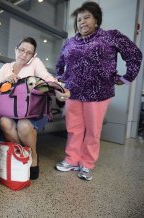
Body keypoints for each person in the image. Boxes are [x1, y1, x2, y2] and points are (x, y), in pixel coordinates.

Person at [55, 1, 142, 181]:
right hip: (73, 92)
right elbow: (60, 64)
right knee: (74, 129)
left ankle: (86, 164)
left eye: (87, 17)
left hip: (99, 93)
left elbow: (134, 54)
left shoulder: (110, 36)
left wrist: (126, 78)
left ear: (96, 20)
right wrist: (60, 81)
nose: (82, 22)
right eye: (79, 19)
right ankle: (72, 159)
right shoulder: (70, 42)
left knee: (93, 131)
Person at [0, 37, 70, 180]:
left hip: (33, 111)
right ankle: (23, 155)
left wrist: (59, 89)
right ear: (16, 49)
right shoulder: (5, 68)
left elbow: (47, 78)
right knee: (4, 122)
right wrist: (5, 80)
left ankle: (33, 156)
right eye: (22, 50)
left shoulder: (35, 63)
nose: (24, 55)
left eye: (29, 53)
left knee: (24, 125)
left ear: (33, 55)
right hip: (10, 111)